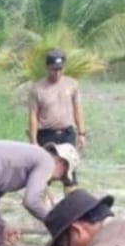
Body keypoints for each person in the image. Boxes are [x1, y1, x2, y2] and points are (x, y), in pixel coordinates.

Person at [28, 48, 86, 189]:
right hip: (46, 135)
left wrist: (81, 133)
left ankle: (72, 207)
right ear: (47, 68)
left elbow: (78, 109)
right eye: (54, 69)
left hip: (67, 134)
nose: (57, 73)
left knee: (70, 175)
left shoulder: (72, 85)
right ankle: (44, 209)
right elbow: (33, 116)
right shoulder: (38, 89)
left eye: (60, 69)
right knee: (44, 175)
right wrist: (34, 141)